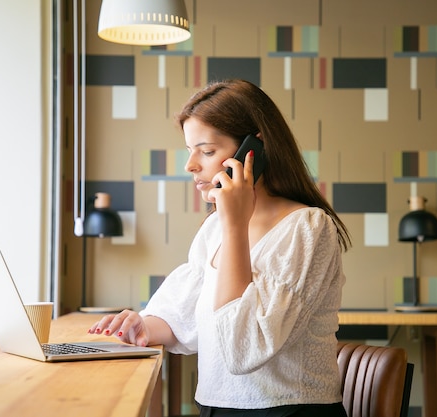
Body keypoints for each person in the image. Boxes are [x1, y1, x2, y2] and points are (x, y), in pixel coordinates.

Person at [88, 79, 351, 417]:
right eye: (189, 150)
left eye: (207, 151)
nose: (191, 165)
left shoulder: (308, 228)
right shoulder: (215, 228)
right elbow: (185, 314)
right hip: (216, 408)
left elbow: (245, 349)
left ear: (253, 150)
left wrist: (235, 225)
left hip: (287, 411)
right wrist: (142, 326)